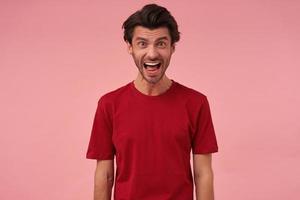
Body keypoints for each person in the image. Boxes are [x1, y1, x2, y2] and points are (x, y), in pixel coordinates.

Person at [86, 3, 219, 200]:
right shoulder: (109, 105)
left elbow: (203, 174)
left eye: (161, 43)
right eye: (142, 43)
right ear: (130, 47)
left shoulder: (196, 103)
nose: (152, 53)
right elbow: (104, 175)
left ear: (172, 47)